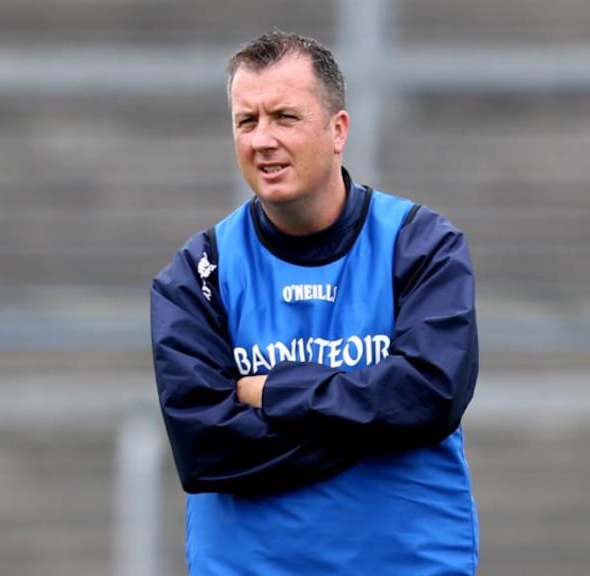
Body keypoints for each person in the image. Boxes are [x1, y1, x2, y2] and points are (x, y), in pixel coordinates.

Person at [150, 30, 479, 575]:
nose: (262, 139)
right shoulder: (198, 271)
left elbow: (430, 396)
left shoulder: (421, 244)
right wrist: (378, 416)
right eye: (246, 121)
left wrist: (276, 391)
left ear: (337, 130)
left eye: (285, 117)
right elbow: (206, 447)